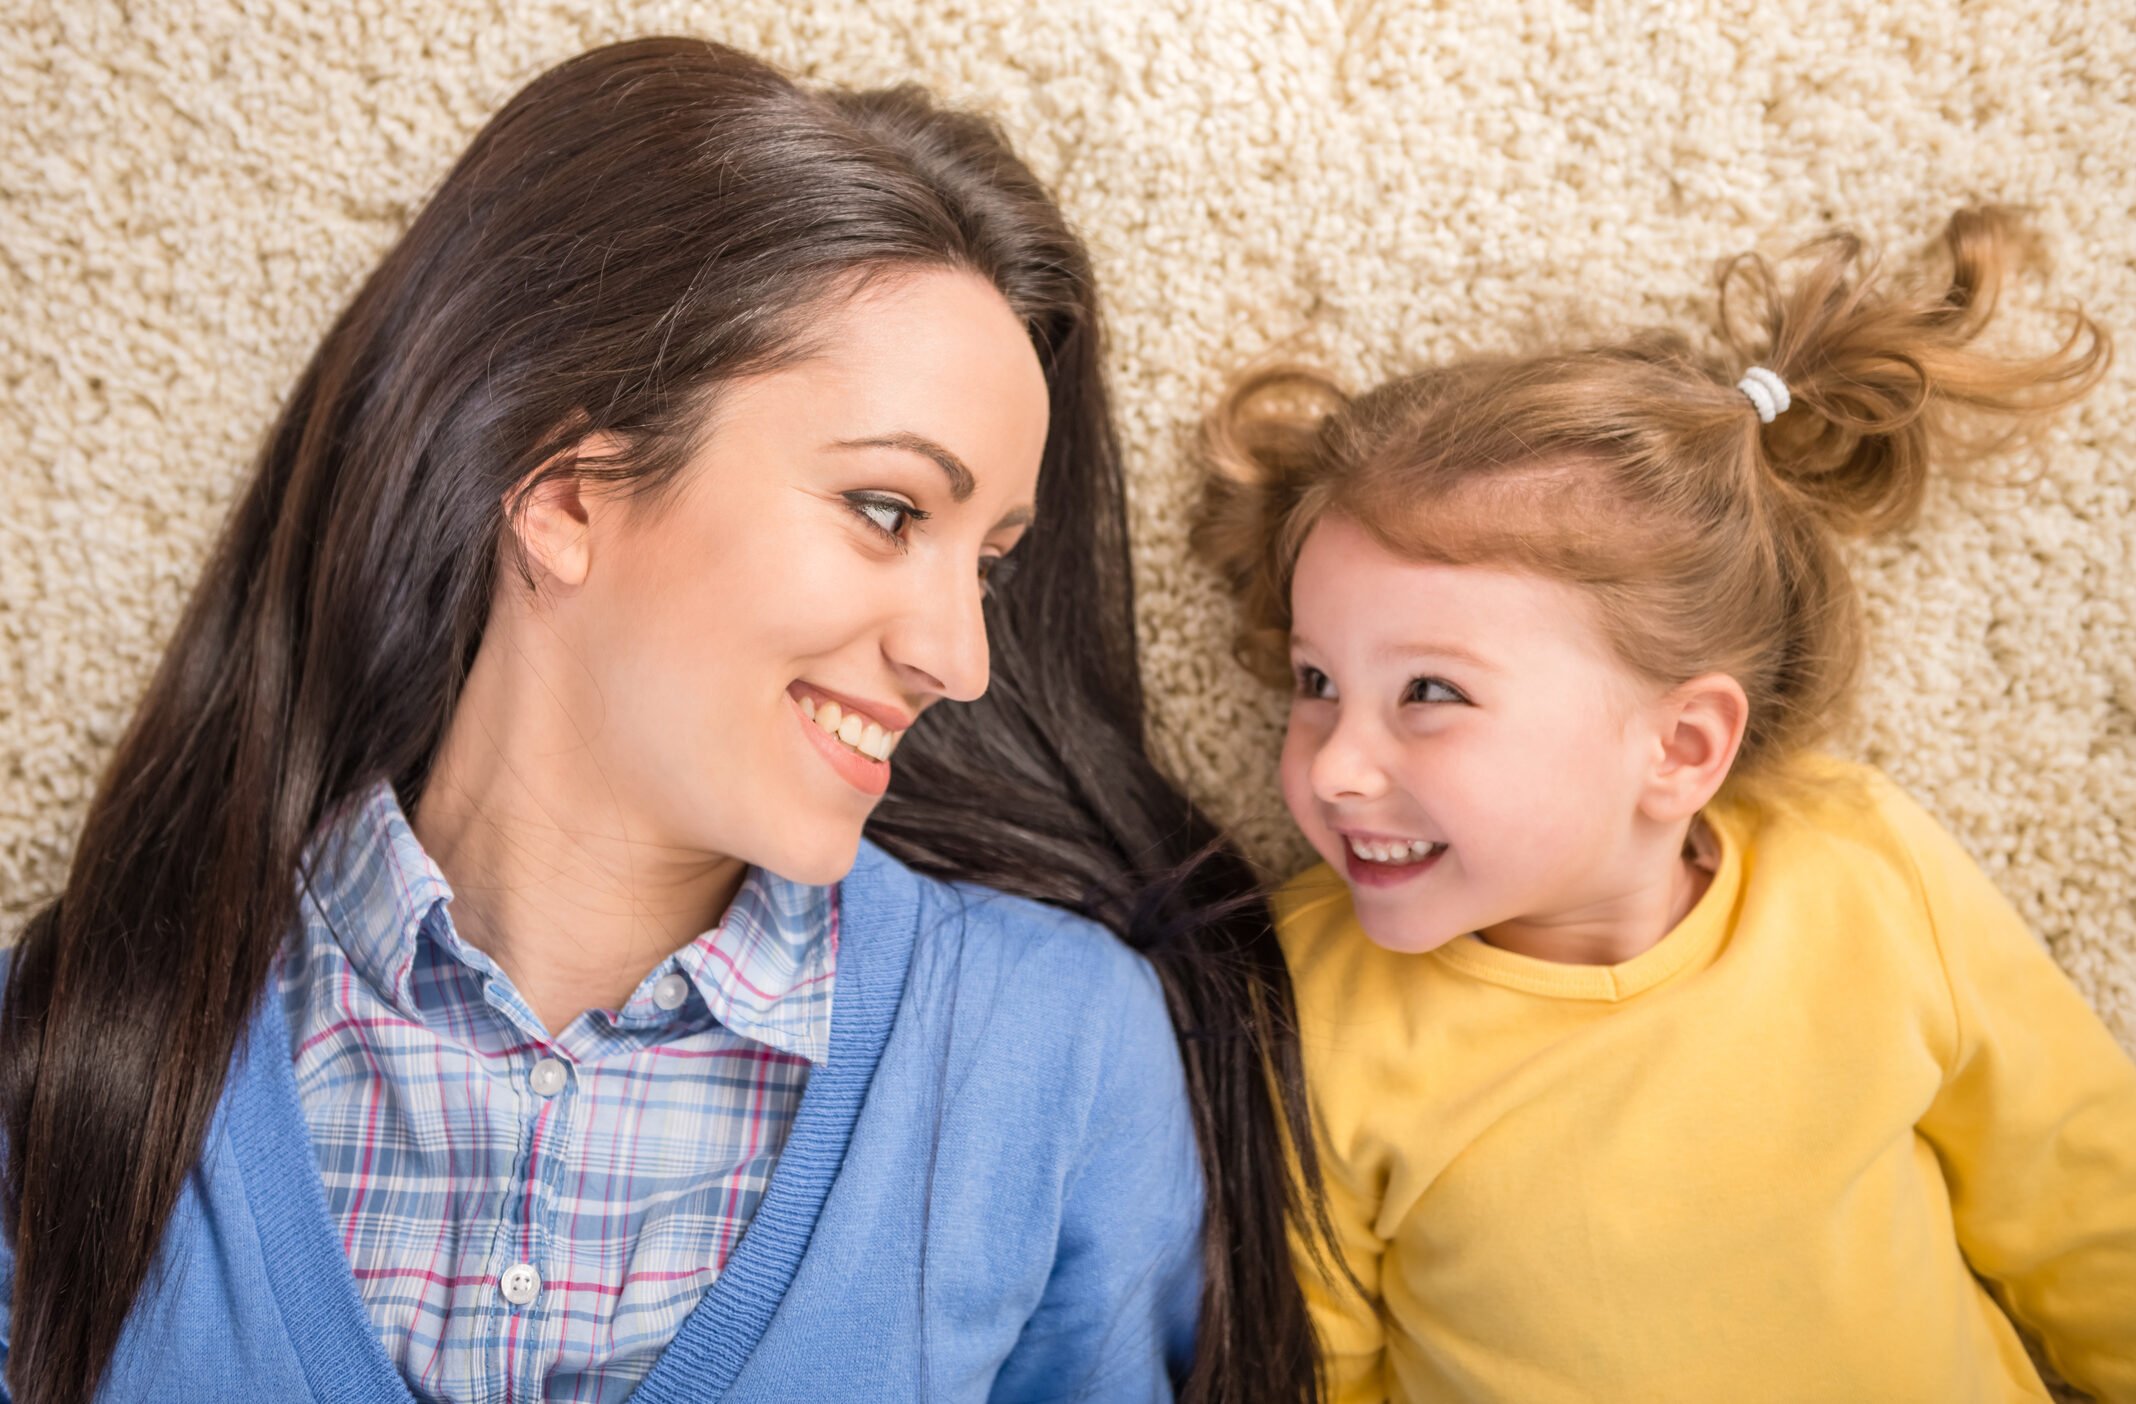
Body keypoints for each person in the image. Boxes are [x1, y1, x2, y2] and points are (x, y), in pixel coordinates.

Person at [0, 37, 1325, 1404]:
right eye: (888, 512)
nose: (961, 657)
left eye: (985, 564)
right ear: (566, 493)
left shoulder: (1047, 1052)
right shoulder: (66, 1055)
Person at [1194, 207, 2136, 1402]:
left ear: (1680, 747)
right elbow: (1308, 1369)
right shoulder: (1308, 1005)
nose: (1331, 766)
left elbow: (2086, 1198)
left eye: (1429, 692)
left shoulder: (1854, 865)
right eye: (1317, 684)